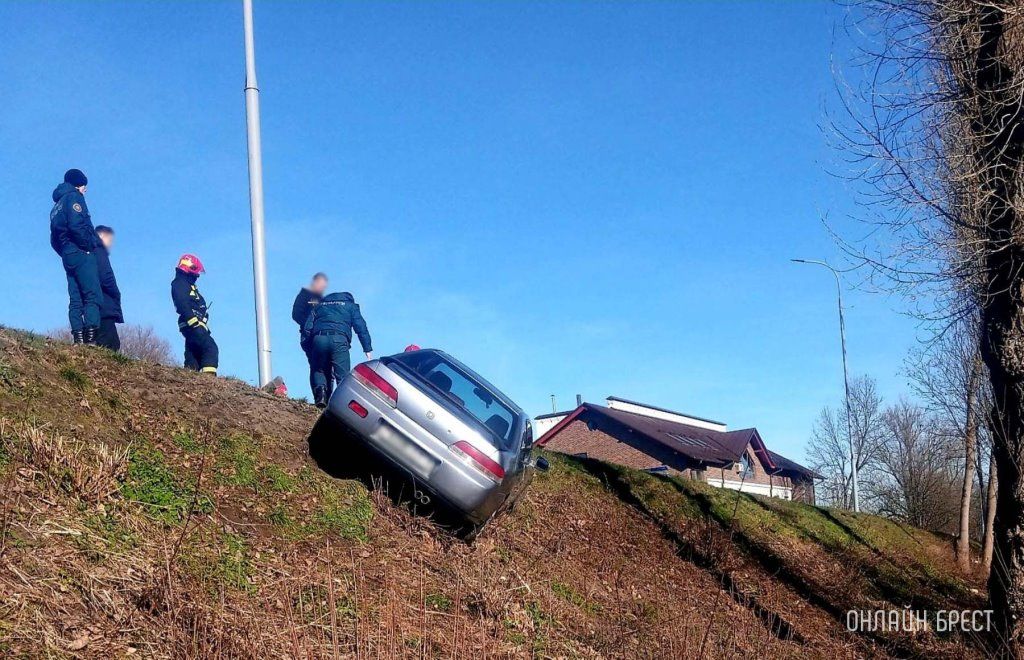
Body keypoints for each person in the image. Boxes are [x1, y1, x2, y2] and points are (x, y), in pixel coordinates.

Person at [50, 168, 102, 344]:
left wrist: (65, 251)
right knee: (92, 294)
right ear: (78, 184)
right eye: (84, 185)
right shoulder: (74, 198)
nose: (85, 189)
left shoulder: (56, 206)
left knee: (75, 296)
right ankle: (91, 338)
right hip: (81, 252)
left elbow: (54, 238)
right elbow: (77, 225)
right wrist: (88, 246)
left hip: (67, 254)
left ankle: (78, 337)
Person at [303, 291, 373, 408]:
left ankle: (321, 396)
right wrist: (367, 347)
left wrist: (308, 347)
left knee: (318, 370)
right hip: (339, 340)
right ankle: (343, 405)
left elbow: (307, 328)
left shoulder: (319, 306)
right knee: (343, 375)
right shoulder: (351, 306)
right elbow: (361, 327)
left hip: (319, 339)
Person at [171, 254, 218, 374]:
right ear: (189, 269)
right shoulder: (180, 283)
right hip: (192, 324)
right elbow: (182, 303)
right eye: (196, 273)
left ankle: (190, 375)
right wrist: (194, 322)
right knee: (210, 348)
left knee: (193, 352)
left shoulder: (186, 284)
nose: (197, 276)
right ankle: (209, 378)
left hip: (193, 325)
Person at [291, 272, 328, 396]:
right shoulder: (304, 296)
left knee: (327, 366)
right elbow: (296, 314)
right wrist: (308, 326)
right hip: (309, 337)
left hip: (323, 336)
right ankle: (319, 397)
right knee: (316, 364)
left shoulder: (323, 300)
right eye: (321, 284)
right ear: (315, 282)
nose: (322, 288)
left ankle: (327, 396)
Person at [93, 226, 123, 351]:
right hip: (104, 305)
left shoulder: (89, 252)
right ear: (102, 236)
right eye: (109, 240)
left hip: (97, 305)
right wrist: (116, 293)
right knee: (110, 343)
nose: (110, 244)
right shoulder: (99, 252)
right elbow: (106, 276)